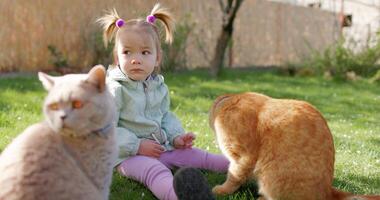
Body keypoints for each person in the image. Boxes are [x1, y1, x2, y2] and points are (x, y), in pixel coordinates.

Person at [97, 4, 229, 200]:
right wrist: (137, 146)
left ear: (157, 58)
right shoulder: (115, 90)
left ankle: (243, 167)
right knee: (155, 172)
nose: (136, 60)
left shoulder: (158, 86)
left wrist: (176, 137)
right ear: (117, 58)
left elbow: (165, 116)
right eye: (127, 53)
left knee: (197, 156)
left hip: (162, 148)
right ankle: (179, 196)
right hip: (128, 156)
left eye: (144, 52)